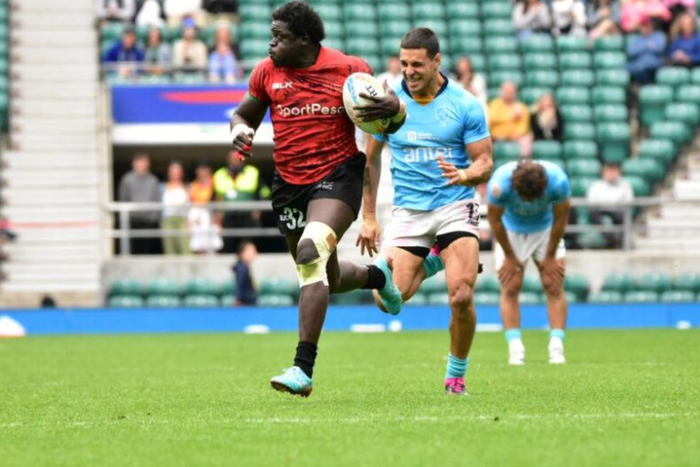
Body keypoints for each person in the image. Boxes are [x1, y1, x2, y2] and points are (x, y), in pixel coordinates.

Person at [230, 1, 406, 396]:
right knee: (328, 276)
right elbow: (243, 115)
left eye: (279, 37)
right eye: (271, 36)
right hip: (289, 185)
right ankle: (378, 276)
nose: (271, 44)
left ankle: (302, 369)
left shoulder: (349, 69)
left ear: (304, 40)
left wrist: (396, 108)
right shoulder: (266, 72)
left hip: (337, 177)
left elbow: (390, 119)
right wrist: (238, 131)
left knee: (310, 253)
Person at [359, 28, 493, 395]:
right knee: (387, 301)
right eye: (404, 63)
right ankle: (434, 259)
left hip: (455, 205)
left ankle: (455, 376)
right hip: (410, 212)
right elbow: (370, 160)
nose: (409, 71)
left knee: (461, 294)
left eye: (417, 64)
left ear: (437, 61)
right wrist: (368, 217)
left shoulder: (465, 105)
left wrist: (466, 174)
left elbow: (485, 163)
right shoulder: (388, 105)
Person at [487, 160, 571, 366]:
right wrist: (510, 256)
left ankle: (556, 346)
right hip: (511, 230)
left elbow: (561, 219)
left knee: (553, 284)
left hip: (546, 230)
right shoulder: (499, 185)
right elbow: (494, 220)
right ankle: (515, 348)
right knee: (511, 285)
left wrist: (550, 256)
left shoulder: (558, 181)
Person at [213, 151, 269, 253]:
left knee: (246, 244)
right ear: (227, 159)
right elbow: (215, 196)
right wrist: (217, 212)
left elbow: (265, 192)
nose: (234, 160)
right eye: (232, 158)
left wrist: (259, 209)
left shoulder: (252, 172)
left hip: (246, 216)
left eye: (237, 158)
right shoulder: (219, 174)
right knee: (228, 244)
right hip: (228, 216)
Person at [117, 153, 161, 255]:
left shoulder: (153, 180)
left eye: (144, 162)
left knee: (148, 250)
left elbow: (157, 200)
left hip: (149, 222)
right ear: (134, 163)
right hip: (133, 220)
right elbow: (123, 199)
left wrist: (154, 219)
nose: (142, 165)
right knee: (133, 249)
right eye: (140, 162)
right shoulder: (127, 179)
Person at [586, 162, 634, 248]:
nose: (611, 174)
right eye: (608, 171)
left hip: (617, 210)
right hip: (600, 210)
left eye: (613, 171)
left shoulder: (625, 185)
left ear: (618, 173)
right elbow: (591, 201)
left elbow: (629, 200)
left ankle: (621, 241)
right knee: (594, 213)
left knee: (624, 215)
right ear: (603, 173)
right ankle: (612, 238)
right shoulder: (596, 185)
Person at [488, 81, 533, 157]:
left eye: (511, 91)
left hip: (516, 137)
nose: (509, 93)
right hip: (497, 136)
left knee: (528, 137)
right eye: (506, 90)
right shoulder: (494, 104)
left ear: (515, 93)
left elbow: (524, 125)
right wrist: (511, 117)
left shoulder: (522, 107)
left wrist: (517, 134)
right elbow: (493, 118)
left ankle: (523, 161)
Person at [189, 163, 223, 254]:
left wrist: (218, 217)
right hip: (198, 218)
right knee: (199, 245)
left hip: (212, 217)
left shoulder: (215, 183)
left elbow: (219, 201)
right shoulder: (194, 185)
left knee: (214, 245)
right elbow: (191, 202)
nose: (203, 173)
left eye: (205, 171)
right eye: (201, 171)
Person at [161, 161, 191, 255]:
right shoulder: (162, 187)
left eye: (177, 171)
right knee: (170, 248)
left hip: (183, 220)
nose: (175, 173)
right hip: (168, 219)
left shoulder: (188, 187)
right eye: (172, 171)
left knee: (184, 246)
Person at [627, 16, 667, 85]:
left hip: (654, 64)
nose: (645, 28)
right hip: (638, 65)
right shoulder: (636, 39)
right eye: (643, 26)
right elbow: (631, 52)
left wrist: (642, 48)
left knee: (643, 67)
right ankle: (645, 85)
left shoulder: (659, 36)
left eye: (647, 25)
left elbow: (660, 49)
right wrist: (647, 46)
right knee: (629, 68)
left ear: (651, 26)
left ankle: (647, 85)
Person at [233, 241, 258, 306]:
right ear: (244, 253)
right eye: (252, 251)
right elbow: (239, 284)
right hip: (246, 302)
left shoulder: (244, 266)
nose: (255, 254)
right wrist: (238, 299)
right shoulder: (241, 268)